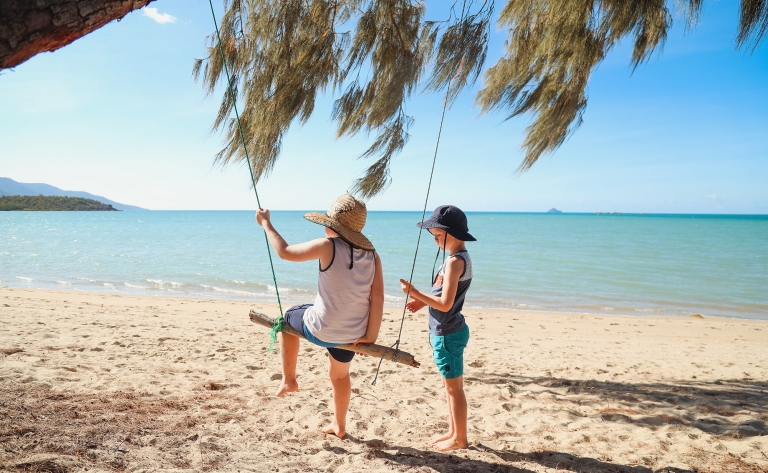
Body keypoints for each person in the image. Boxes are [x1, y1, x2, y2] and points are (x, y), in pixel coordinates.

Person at [255, 193, 384, 438]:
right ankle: (340, 425)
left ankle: (289, 380)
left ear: (331, 226)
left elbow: (285, 252)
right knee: (339, 375)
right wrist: (370, 336)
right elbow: (377, 298)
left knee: (287, 317)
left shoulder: (328, 246)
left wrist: (266, 224)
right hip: (354, 334)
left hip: (322, 329)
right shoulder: (373, 256)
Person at [399, 205, 475, 452]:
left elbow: (445, 303)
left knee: (454, 390)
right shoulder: (454, 259)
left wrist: (416, 292)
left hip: (448, 333)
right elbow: (441, 294)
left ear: (451, 233)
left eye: (437, 236)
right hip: (447, 330)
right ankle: (454, 431)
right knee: (449, 387)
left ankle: (460, 439)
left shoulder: (455, 263)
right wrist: (421, 301)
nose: (434, 241)